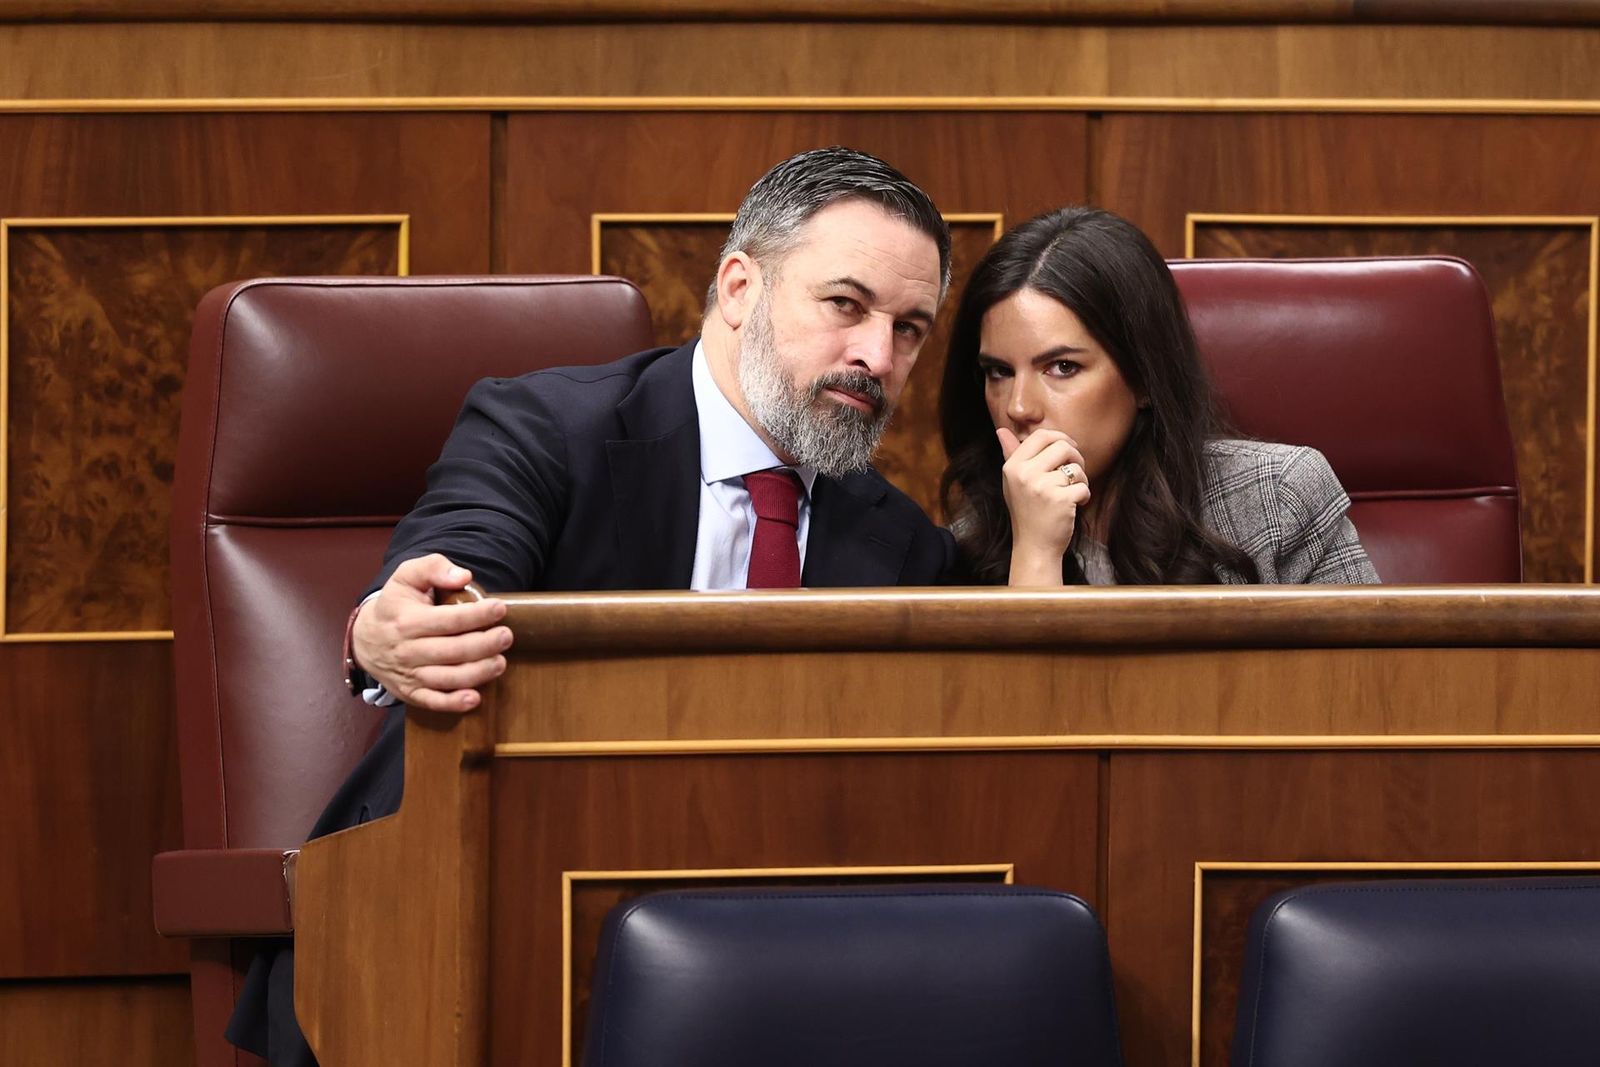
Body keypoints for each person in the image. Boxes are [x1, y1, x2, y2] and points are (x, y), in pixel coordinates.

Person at [228, 145, 958, 1065]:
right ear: (739, 285)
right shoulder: (547, 429)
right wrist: (391, 621)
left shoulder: (900, 540)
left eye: (911, 329)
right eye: (846, 306)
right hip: (491, 906)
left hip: (772, 956)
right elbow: (455, 563)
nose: (875, 356)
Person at [939, 205, 1379, 587]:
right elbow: (1021, 688)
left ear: (1144, 377)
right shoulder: (973, 535)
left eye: (1063, 367)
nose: (1018, 407)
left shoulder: (1277, 498)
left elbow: (1369, 679)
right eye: (998, 371)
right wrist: (1035, 556)